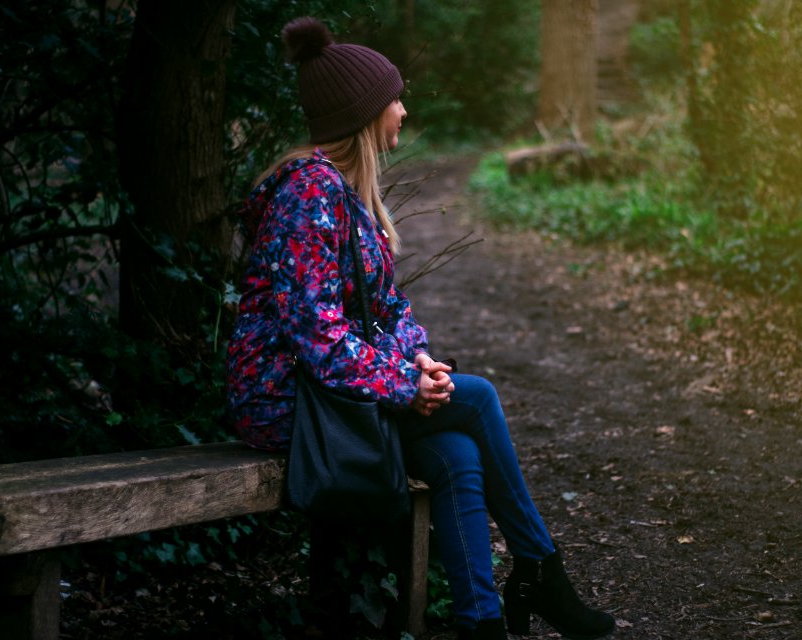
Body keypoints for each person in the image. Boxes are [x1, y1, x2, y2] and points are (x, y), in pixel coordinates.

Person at [226, 16, 616, 640]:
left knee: (458, 452)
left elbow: (389, 311)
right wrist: (405, 384)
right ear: (363, 113)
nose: (403, 110)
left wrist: (418, 362)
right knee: (480, 397)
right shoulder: (307, 196)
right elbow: (317, 337)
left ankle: (481, 622)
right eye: (394, 99)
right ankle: (540, 568)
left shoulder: (345, 195)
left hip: (331, 396)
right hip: (286, 403)